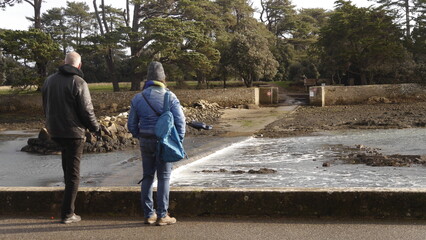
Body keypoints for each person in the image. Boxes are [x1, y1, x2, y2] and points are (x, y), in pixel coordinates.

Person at [42, 51, 100, 224]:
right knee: (74, 175)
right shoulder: (79, 82)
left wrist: (51, 124)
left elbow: (46, 105)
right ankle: (68, 214)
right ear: (79, 65)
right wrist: (96, 128)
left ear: (64, 62)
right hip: (73, 133)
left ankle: (67, 210)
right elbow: (87, 110)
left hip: (55, 131)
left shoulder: (49, 80)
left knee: (67, 171)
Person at [127, 61, 185, 226]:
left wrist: (141, 136)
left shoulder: (138, 98)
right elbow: (181, 123)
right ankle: (162, 215)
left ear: (148, 79)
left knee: (147, 177)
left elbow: (131, 125)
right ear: (163, 78)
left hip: (146, 140)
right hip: (164, 142)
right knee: (164, 178)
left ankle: (148, 214)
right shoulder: (170, 96)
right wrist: (177, 141)